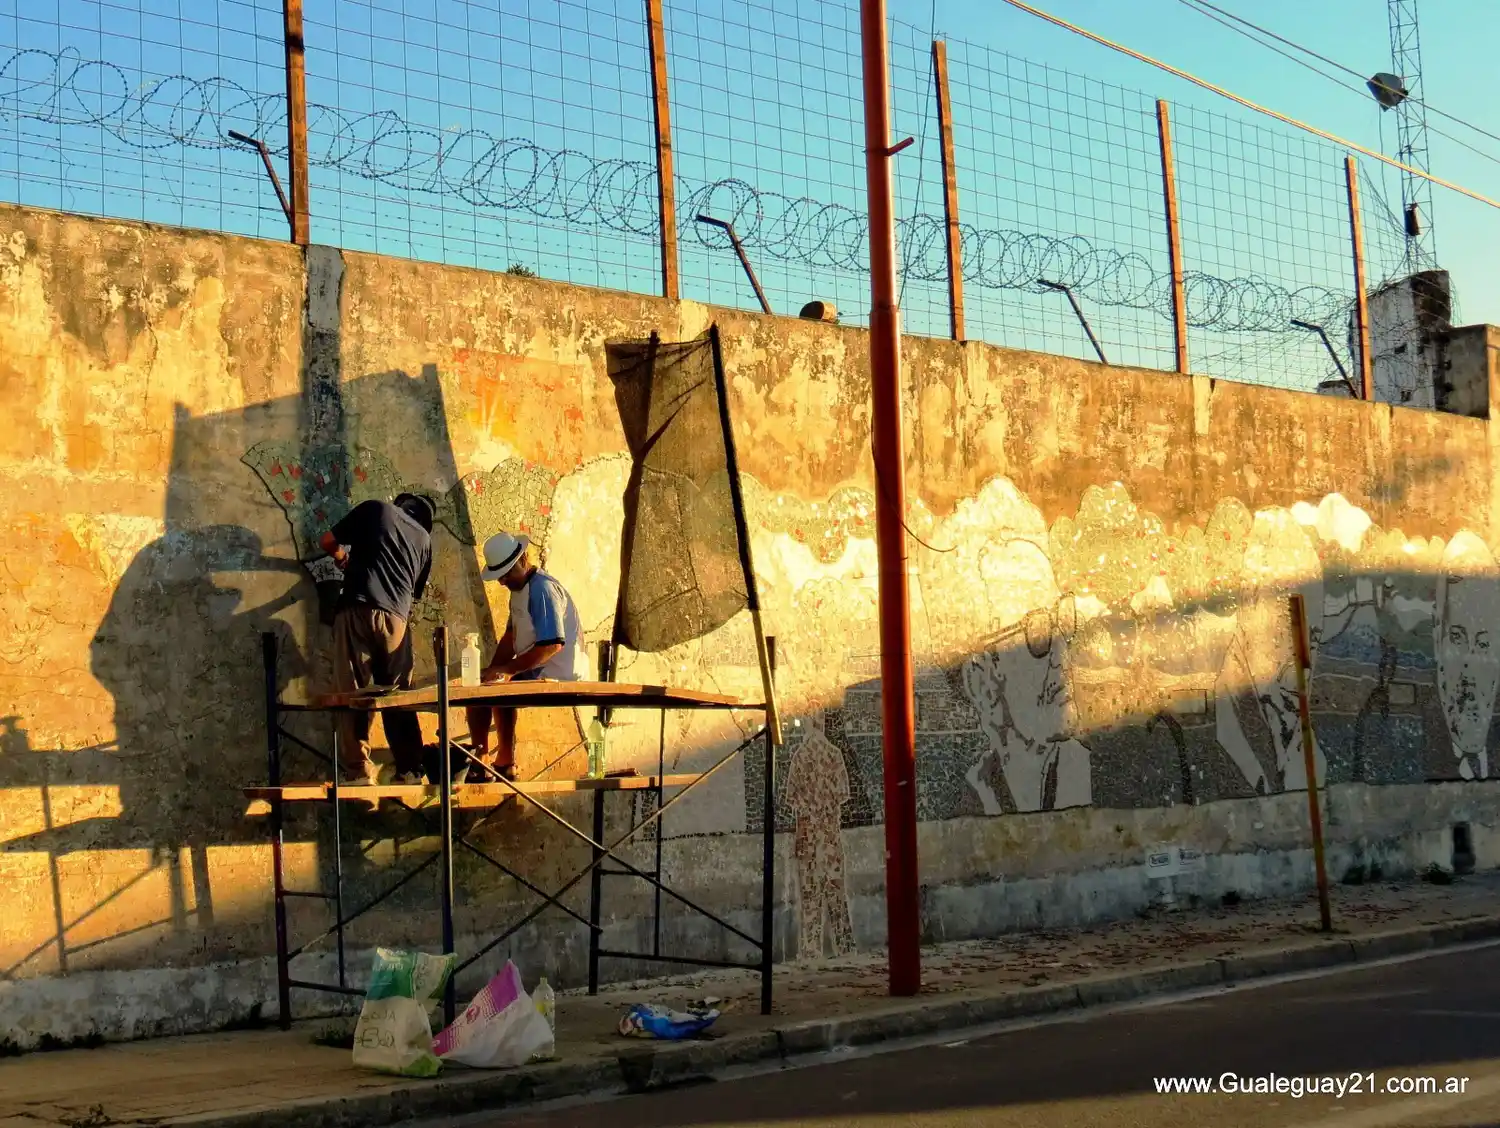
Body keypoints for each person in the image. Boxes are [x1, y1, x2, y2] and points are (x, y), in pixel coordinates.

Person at [318, 492, 435, 786]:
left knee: (353, 691)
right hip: (397, 622)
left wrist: (344, 558)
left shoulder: (375, 509)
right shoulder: (424, 541)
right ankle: (410, 770)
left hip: (357, 608)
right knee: (398, 695)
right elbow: (413, 591)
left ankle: (358, 771)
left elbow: (327, 542)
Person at [465, 531, 586, 781]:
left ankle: (486, 763)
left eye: (507, 574)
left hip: (556, 671)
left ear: (523, 559)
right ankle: (495, 762)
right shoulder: (520, 590)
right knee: (482, 689)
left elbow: (552, 645)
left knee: (495, 690)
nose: (503, 581)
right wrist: (494, 668)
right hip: (540, 665)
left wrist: (508, 670)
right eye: (500, 576)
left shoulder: (543, 589)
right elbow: (511, 637)